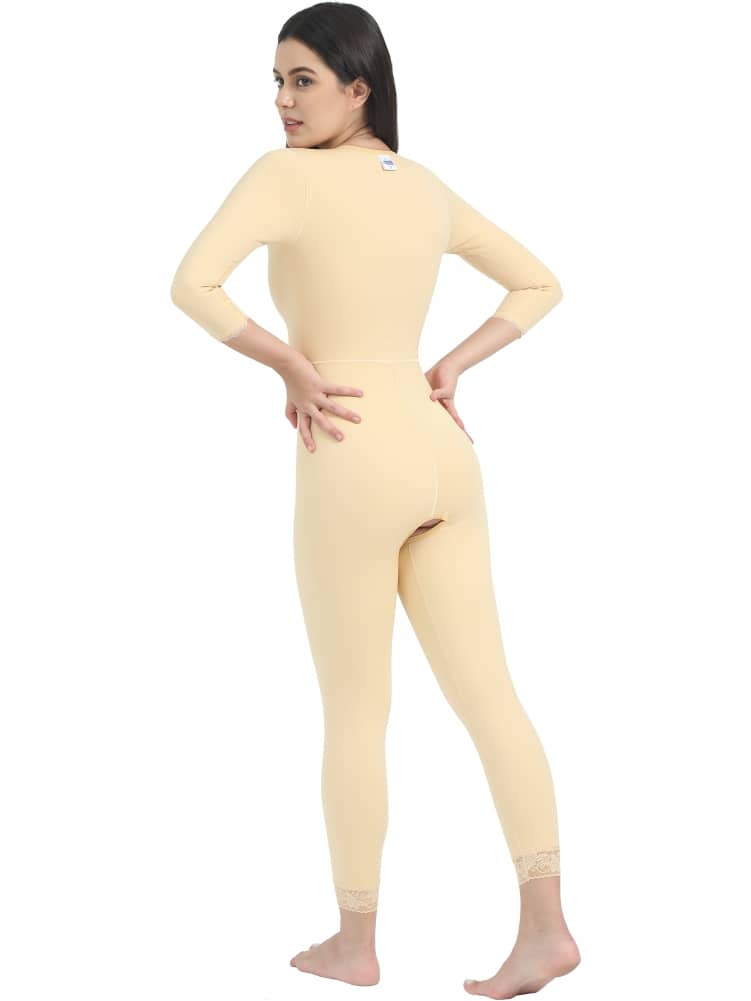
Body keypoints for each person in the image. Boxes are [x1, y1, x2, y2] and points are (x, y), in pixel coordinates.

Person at [169, 3, 580, 996]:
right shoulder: (423, 185)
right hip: (440, 450)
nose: (281, 101)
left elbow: (193, 286)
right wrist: (450, 365)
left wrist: (291, 366)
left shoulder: (283, 178)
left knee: (356, 710)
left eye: (302, 80)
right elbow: (538, 284)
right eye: (275, 81)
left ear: (360, 88)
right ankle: (547, 928)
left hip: (349, 452)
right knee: (492, 696)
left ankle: (355, 943)